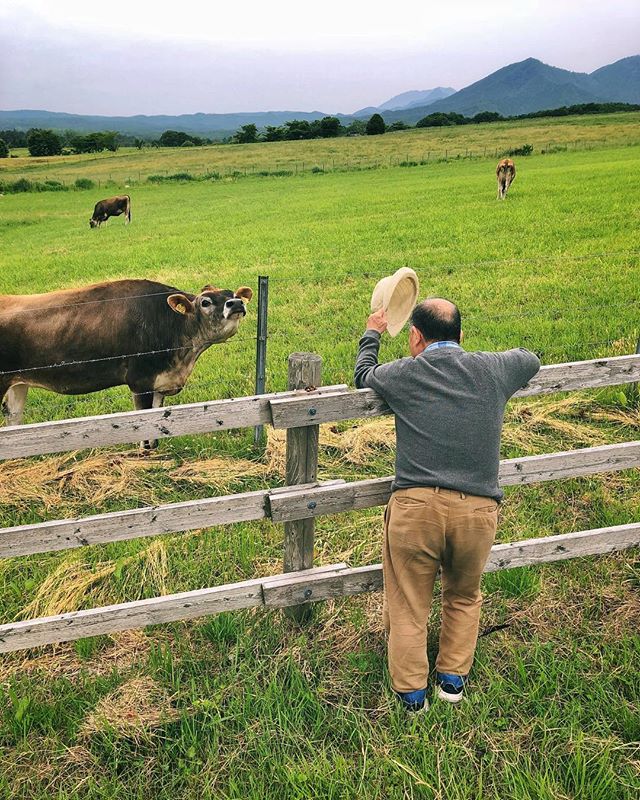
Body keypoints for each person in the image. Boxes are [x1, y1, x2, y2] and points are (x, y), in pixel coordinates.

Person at [354, 298, 540, 712]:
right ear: (461, 336)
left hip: (416, 508)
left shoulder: (405, 373)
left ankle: (411, 696)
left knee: (408, 603)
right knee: (463, 594)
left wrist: (373, 332)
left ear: (416, 337)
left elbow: (363, 374)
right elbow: (530, 359)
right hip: (477, 511)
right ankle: (452, 683)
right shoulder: (492, 369)